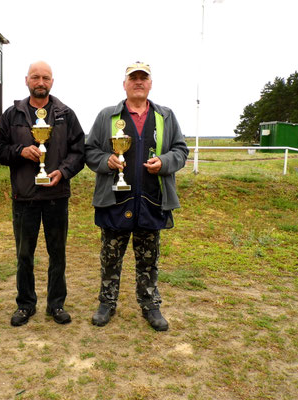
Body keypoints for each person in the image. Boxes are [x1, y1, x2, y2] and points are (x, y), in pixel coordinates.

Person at [85, 62, 189, 331]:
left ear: (150, 84)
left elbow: (181, 150)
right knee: (110, 257)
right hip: (114, 199)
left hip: (152, 199)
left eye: (144, 78)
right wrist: (105, 159)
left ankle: (150, 304)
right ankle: (107, 303)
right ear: (125, 84)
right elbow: (90, 151)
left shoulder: (165, 116)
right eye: (134, 78)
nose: (139, 82)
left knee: (148, 258)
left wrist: (165, 162)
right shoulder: (107, 116)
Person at [0, 61, 85, 326]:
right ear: (26, 80)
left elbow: (79, 151)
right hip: (25, 198)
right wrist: (19, 151)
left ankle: (56, 305)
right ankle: (25, 304)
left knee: (58, 254)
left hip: (56, 196)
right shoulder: (12, 114)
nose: (40, 82)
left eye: (45, 77)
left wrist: (63, 172)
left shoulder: (65, 114)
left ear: (52, 82)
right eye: (35, 77)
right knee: (24, 255)